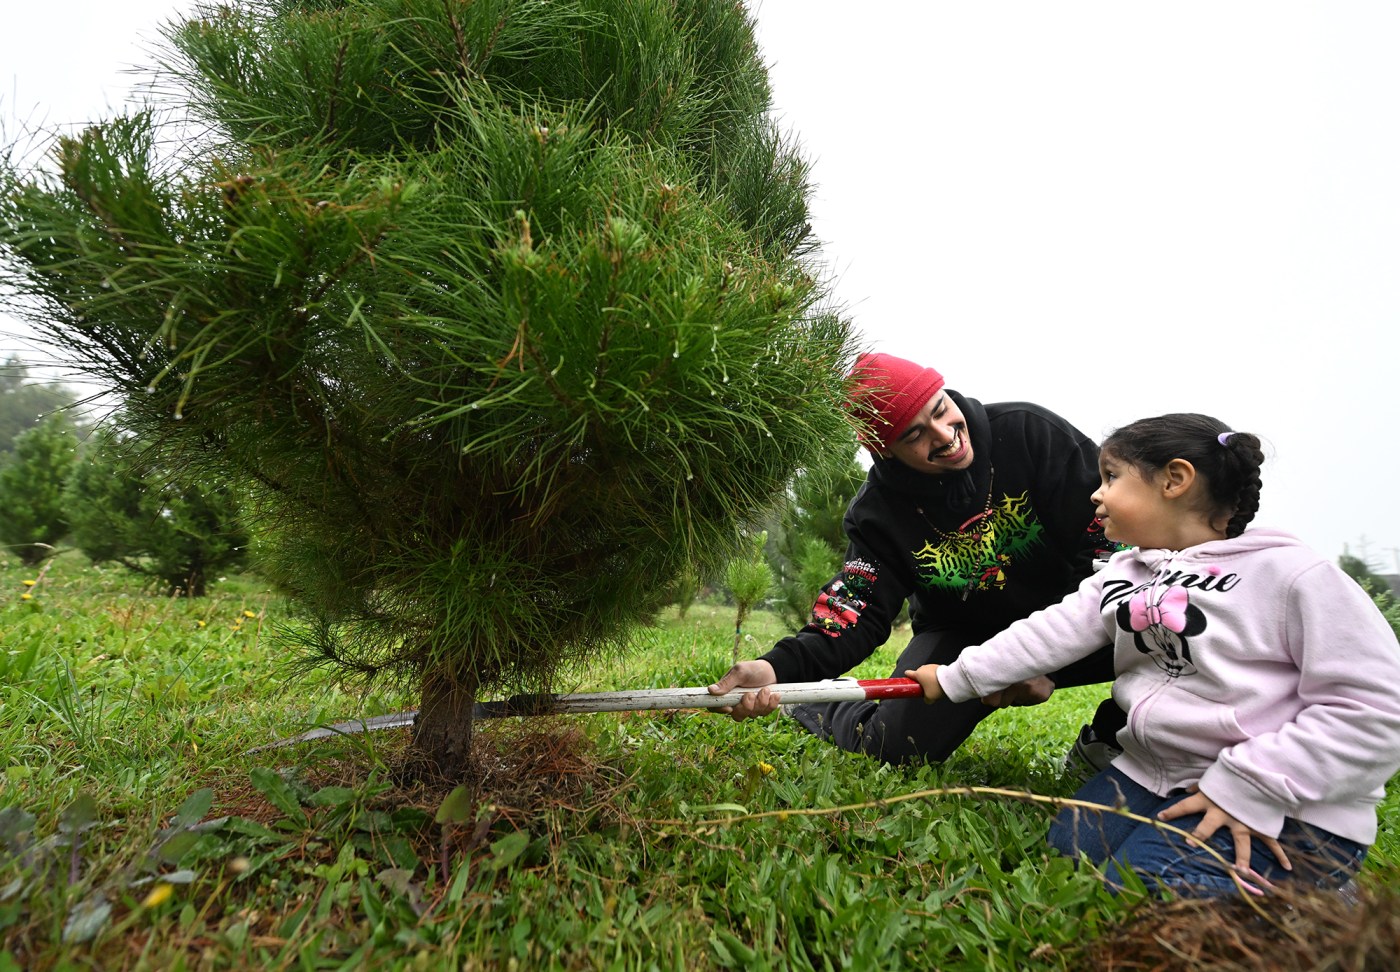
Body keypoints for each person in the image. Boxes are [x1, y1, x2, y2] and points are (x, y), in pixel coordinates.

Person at [905, 413, 1400, 897]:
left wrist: (1252, 786)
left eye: (1111, 476)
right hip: (1159, 769)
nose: (1096, 494)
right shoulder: (1129, 572)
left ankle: (1321, 891)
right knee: (1068, 852)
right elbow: (1047, 632)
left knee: (1143, 892)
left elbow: (1376, 708)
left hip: (1286, 795)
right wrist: (957, 677)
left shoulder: (1292, 575)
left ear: (1175, 480)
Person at [709, 351, 1125, 766]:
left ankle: (1112, 739)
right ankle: (820, 704)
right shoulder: (877, 515)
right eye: (914, 436)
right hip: (965, 636)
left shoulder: (1032, 433)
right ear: (885, 451)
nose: (944, 435)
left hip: (1077, 619)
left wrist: (1041, 656)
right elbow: (853, 614)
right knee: (895, 745)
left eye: (942, 410)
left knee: (1167, 621)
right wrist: (777, 669)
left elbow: (1113, 547)